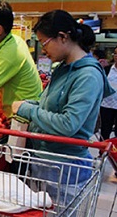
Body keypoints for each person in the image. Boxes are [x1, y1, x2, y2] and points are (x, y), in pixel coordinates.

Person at [11, 10, 114, 203]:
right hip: (47, 161)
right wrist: (30, 104)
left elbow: (68, 124)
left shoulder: (87, 76)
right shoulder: (64, 69)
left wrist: (28, 110)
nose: (43, 50)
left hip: (66, 169)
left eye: (44, 42)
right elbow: (50, 106)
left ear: (63, 37)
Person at [99, 47, 117, 140]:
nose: (116, 56)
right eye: (115, 53)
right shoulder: (107, 69)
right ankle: (102, 152)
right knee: (105, 130)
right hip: (106, 105)